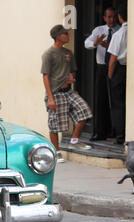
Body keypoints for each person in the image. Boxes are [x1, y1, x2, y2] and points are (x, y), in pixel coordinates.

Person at [42, 25, 93, 163]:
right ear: (58, 36)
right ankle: (56, 152)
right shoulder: (48, 54)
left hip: (69, 92)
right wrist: (50, 99)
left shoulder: (68, 53)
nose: (68, 35)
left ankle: (74, 140)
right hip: (56, 93)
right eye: (65, 33)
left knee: (84, 111)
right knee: (55, 125)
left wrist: (71, 77)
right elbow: (45, 76)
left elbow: (72, 70)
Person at [84, 7, 120, 141]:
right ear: (104, 18)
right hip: (101, 68)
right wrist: (95, 43)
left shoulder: (120, 30)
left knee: (115, 100)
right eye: (109, 17)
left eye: (113, 17)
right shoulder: (99, 30)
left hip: (116, 67)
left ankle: (115, 131)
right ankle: (99, 132)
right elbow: (86, 43)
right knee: (100, 99)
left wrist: (110, 46)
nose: (111, 20)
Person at [108, 4, 128, 145]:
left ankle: (120, 135)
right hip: (131, 68)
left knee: (118, 104)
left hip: (120, 70)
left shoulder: (119, 34)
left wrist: (110, 76)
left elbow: (113, 59)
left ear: (120, 17)